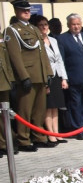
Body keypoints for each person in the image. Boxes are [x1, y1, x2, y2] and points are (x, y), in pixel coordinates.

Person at [4, 0, 53, 152]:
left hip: (40, 73)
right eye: (23, 10)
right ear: (16, 11)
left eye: (28, 10)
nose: (27, 12)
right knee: (25, 109)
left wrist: (48, 72)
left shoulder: (34, 29)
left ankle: (38, 136)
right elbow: (15, 56)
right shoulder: (12, 30)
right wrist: (23, 76)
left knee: (39, 109)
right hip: (28, 75)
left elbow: (42, 52)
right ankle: (24, 139)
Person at [30, 14, 68, 146]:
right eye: (41, 25)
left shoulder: (53, 40)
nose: (44, 27)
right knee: (48, 106)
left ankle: (57, 133)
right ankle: (50, 134)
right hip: (46, 77)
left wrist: (64, 78)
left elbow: (59, 60)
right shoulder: (36, 42)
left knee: (55, 106)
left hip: (57, 75)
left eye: (45, 24)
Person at [0, 39, 14, 154]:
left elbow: (6, 59)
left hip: (3, 80)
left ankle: (6, 143)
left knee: (5, 114)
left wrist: (11, 77)